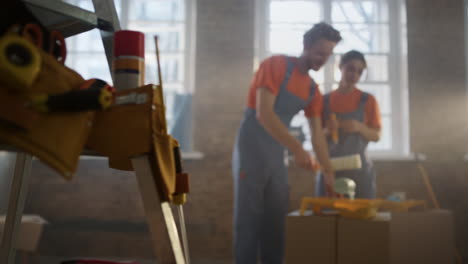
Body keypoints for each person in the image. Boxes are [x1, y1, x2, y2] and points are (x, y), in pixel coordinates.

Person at [232, 22, 341, 264]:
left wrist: (328, 172)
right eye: (320, 53)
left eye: (329, 55)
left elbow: (317, 135)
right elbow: (264, 114)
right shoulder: (276, 66)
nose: (324, 59)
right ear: (306, 46)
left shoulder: (313, 90)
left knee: (276, 220)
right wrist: (298, 150)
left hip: (276, 153)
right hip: (251, 146)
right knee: (249, 220)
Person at [316, 50, 381, 199]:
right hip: (330, 168)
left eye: (359, 71)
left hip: (359, 171)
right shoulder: (323, 101)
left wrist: (359, 127)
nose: (355, 75)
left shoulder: (368, 101)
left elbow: (376, 136)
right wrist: (327, 130)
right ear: (341, 66)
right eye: (351, 68)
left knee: (360, 218)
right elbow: (316, 137)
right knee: (326, 216)